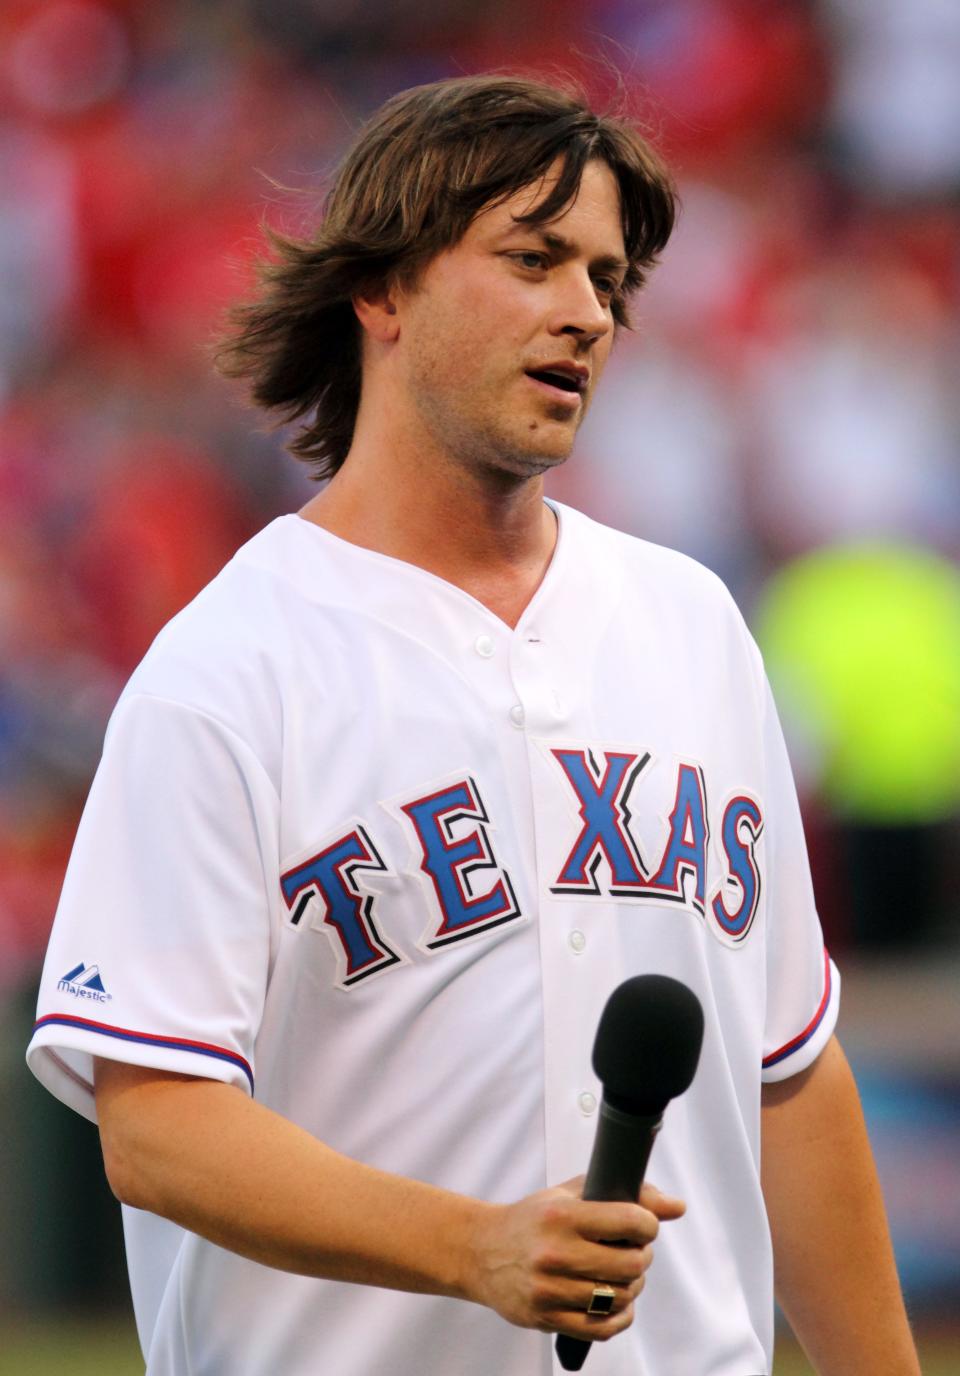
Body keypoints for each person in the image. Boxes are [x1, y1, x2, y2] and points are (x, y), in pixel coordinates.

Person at [27, 75, 920, 1376]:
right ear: (382, 292)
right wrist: (471, 1246)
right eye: (533, 259)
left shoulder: (690, 625)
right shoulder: (230, 666)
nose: (585, 312)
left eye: (609, 280)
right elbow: (155, 1125)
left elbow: (789, 1073)